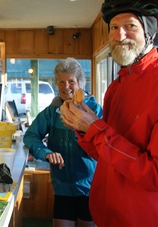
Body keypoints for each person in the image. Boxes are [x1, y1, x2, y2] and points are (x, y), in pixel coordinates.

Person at [60, 0, 158, 227]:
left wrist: (96, 129)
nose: (120, 35)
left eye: (130, 26)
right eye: (114, 28)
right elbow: (107, 154)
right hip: (107, 217)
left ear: (149, 31)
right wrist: (83, 126)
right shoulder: (116, 88)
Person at [23, 57, 102, 227]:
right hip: (61, 186)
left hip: (88, 187)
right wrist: (45, 153)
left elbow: (103, 145)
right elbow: (30, 136)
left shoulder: (94, 110)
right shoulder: (52, 111)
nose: (66, 87)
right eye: (61, 82)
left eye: (71, 81)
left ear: (80, 83)